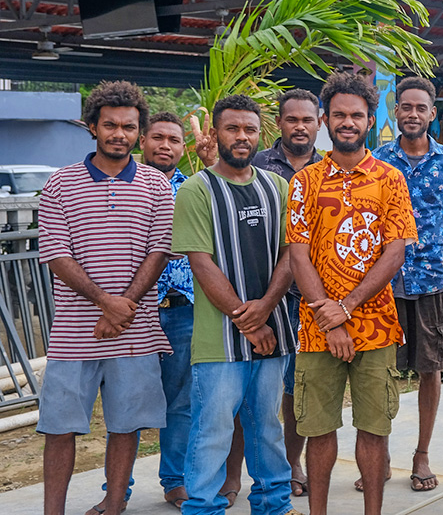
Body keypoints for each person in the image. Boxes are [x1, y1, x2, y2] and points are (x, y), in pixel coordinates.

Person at [37, 81, 174, 515]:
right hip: (74, 334)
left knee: (127, 424)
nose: (120, 134)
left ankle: (115, 504)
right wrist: (105, 303)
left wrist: (123, 307)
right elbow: (57, 255)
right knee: (59, 428)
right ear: (92, 127)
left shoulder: (156, 185)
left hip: (135, 333)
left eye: (129, 127)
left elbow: (159, 251)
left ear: (139, 131)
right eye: (110, 125)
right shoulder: (60, 183)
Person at [288, 71, 418, 515]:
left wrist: (346, 307)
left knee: (374, 430)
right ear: (325, 119)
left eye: (356, 115)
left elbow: (395, 251)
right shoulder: (305, 181)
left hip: (377, 327)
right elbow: (298, 256)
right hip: (316, 328)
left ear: (369, 119)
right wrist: (329, 315)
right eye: (339, 114)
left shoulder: (390, 178)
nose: (348, 122)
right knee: (319, 431)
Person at [173, 95, 298, 515]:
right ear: (217, 134)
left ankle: (273, 505)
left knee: (266, 428)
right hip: (218, 341)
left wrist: (266, 307)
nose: (241, 137)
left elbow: (290, 253)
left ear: (260, 132)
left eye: (249, 129)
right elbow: (201, 262)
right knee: (212, 429)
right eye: (232, 129)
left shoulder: (277, 186)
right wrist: (249, 320)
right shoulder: (195, 190)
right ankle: (204, 508)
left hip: (273, 332)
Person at [374, 75, 443, 492]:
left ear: (433, 113)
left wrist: (434, 254)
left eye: (421, 108)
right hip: (381, 284)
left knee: (430, 369)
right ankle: (379, 453)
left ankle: (422, 452)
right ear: (396, 111)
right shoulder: (375, 160)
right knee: (379, 371)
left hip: (430, 281)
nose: (413, 114)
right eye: (405, 107)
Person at [250, 87, 323, 498]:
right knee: (259, 392)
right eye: (291, 119)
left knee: (301, 390)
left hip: (312, 299)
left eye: (307, 120)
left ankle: (293, 463)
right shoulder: (257, 165)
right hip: (263, 296)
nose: (299, 126)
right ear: (278, 124)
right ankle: (248, 472)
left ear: (319, 124)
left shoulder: (331, 170)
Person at [139, 111, 196, 510]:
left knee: (181, 401)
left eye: (174, 140)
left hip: (183, 310)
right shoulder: (127, 187)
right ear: (143, 140)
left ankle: (174, 480)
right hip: (135, 311)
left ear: (182, 147)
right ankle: (117, 487)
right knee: (127, 402)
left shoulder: (194, 189)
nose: (165, 146)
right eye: (157, 137)